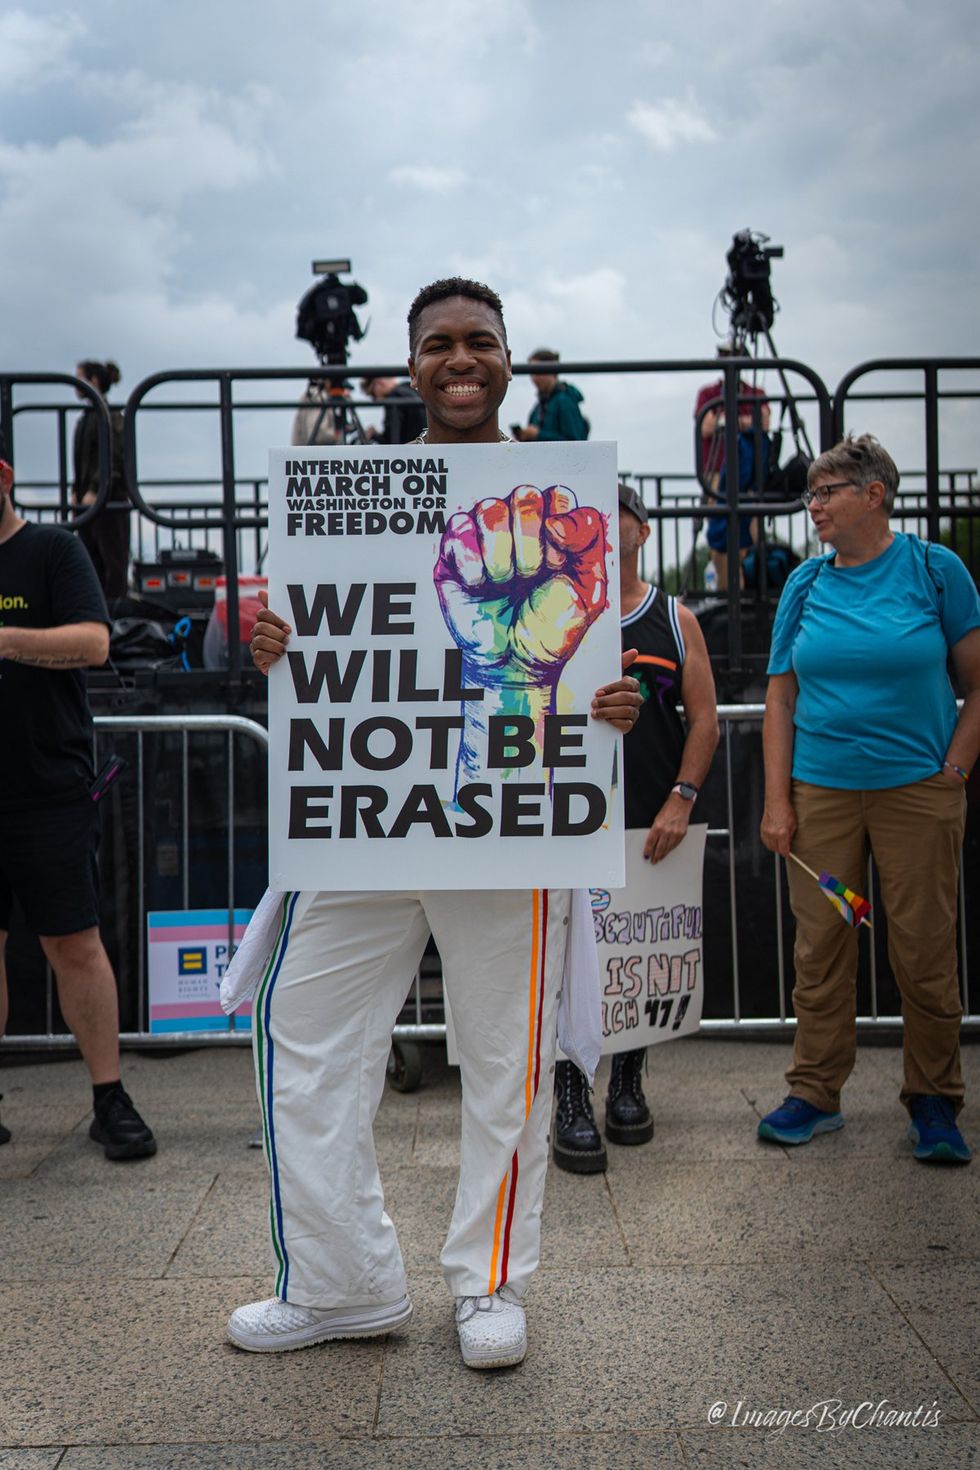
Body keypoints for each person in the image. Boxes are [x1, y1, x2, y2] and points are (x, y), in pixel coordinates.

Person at [227, 278, 642, 1369]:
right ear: (409, 363)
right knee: (304, 1041)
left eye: (481, 342)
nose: (461, 360)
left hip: (509, 820)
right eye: (438, 345)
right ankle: (337, 1282)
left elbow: (590, 646)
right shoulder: (350, 489)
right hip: (365, 818)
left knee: (506, 1060)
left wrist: (608, 703)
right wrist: (277, 645)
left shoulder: (562, 482)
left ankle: (488, 1281)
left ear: (507, 359)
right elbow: (313, 634)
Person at [758, 434, 980, 1164]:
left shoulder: (933, 569)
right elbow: (780, 701)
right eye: (811, 496)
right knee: (820, 946)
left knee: (923, 948)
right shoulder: (805, 585)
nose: (812, 507)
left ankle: (934, 1100)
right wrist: (777, 803)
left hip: (918, 792)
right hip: (821, 796)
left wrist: (954, 769)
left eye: (826, 493)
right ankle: (816, 1092)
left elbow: (977, 684)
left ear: (874, 494)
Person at [553, 482, 720, 1172]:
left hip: (647, 819)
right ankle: (569, 1094)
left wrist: (681, 798)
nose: (600, 516)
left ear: (641, 531)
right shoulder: (555, 610)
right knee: (568, 965)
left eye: (615, 507)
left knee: (632, 958)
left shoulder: (675, 619)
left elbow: (705, 719)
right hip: (564, 824)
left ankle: (626, 1083)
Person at [0, 451, 156, 1159]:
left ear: (3, 475)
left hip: (50, 787)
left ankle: (109, 1097)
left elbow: (94, 643)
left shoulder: (52, 551)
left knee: (75, 943)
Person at [694, 345, 770, 591]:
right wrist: (744, 422)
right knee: (720, 535)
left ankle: (749, 590)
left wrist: (726, 421)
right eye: (725, 357)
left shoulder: (754, 392)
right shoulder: (709, 394)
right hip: (717, 475)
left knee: (751, 533)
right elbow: (705, 426)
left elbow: (765, 422)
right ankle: (728, 592)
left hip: (748, 477)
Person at [72, 359, 131, 601]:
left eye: (80, 377)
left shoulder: (110, 415)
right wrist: (77, 490)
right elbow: (83, 460)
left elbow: (115, 457)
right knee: (90, 561)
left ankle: (115, 621)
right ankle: (95, 615)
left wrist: (96, 488)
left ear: (93, 381)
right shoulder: (87, 417)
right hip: (89, 502)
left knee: (112, 564)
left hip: (108, 501)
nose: (75, 384)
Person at [513, 348, 589, 442]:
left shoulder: (564, 401)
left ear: (552, 371)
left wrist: (538, 435)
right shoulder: (539, 406)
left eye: (538, 372)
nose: (535, 378)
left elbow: (574, 442)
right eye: (532, 373)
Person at [359, 375, 427, 444]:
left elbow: (391, 441)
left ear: (379, 383)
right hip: (424, 443)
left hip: (409, 450)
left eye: (373, 394)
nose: (375, 399)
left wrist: (374, 435)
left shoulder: (394, 398)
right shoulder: (409, 389)